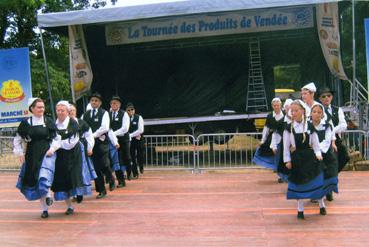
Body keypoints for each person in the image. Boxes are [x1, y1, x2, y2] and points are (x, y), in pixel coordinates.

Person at [14, 98, 59, 218]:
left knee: (44, 176)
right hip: (32, 154)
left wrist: (52, 149)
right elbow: (17, 140)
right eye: (39, 107)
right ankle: (45, 209)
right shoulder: (26, 123)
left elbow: (57, 139)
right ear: (32, 109)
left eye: (43, 107)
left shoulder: (48, 121)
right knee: (36, 180)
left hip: (47, 153)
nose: (41, 109)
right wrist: (19, 153)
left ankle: (48, 195)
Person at [283, 100, 325, 220]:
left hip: (310, 158)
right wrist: (287, 160)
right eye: (292, 111)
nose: (294, 113)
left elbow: (315, 143)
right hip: (297, 159)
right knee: (299, 184)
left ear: (302, 111)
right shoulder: (289, 128)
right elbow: (286, 147)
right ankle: (300, 210)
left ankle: (322, 205)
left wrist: (318, 154)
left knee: (316, 181)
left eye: (296, 110)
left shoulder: (309, 126)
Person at [51, 101, 90, 215]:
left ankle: (78, 194)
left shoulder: (73, 124)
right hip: (60, 156)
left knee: (74, 177)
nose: (60, 112)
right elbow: (53, 139)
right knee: (62, 180)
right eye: (58, 110)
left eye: (62, 110)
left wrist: (57, 144)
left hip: (73, 155)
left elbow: (71, 143)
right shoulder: (54, 125)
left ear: (67, 111)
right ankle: (69, 206)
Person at [318, 86, 349, 201]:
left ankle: (332, 177)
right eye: (324, 96)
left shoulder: (338, 109)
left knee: (345, 157)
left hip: (336, 139)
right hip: (324, 141)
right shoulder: (318, 109)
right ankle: (328, 189)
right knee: (329, 164)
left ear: (332, 97)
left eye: (329, 96)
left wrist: (332, 130)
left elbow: (343, 125)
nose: (326, 98)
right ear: (320, 99)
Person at [82, 92, 112, 199]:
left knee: (103, 165)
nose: (94, 102)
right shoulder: (85, 114)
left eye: (96, 101)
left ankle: (110, 179)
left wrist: (92, 136)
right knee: (95, 167)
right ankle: (101, 190)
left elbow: (104, 128)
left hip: (101, 143)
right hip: (90, 145)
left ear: (100, 103)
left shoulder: (104, 113)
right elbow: (82, 127)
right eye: (92, 100)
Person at [310, 103, 339, 204]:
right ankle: (314, 194)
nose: (316, 114)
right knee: (313, 175)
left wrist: (318, 150)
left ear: (322, 114)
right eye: (314, 112)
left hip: (325, 154)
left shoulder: (327, 125)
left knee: (327, 174)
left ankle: (328, 191)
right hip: (311, 154)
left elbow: (327, 141)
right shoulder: (307, 125)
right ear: (310, 113)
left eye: (319, 112)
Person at [69, 103, 97, 203]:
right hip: (67, 151)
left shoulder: (81, 122)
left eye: (73, 110)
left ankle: (79, 193)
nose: (71, 112)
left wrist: (90, 148)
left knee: (80, 171)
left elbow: (89, 135)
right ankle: (74, 193)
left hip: (80, 150)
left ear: (75, 112)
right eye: (69, 110)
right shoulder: (62, 123)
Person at [252, 98, 284, 173]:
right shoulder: (270, 116)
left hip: (283, 138)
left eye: (277, 105)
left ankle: (280, 169)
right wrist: (263, 140)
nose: (276, 107)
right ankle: (276, 167)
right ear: (272, 106)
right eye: (274, 105)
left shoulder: (285, 115)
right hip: (272, 138)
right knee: (273, 153)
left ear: (280, 105)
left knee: (282, 155)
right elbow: (266, 129)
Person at [109, 96, 131, 184]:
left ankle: (129, 171)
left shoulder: (124, 114)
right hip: (113, 141)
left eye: (116, 103)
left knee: (126, 158)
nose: (114, 105)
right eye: (112, 103)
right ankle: (120, 180)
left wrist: (113, 134)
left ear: (119, 104)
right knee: (116, 160)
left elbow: (125, 128)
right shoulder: (107, 114)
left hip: (123, 140)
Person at [126, 102, 145, 175]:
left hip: (138, 140)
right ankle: (135, 173)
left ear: (134, 110)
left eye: (132, 109)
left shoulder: (139, 117)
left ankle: (141, 166)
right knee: (132, 156)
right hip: (130, 141)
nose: (131, 111)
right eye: (129, 110)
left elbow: (141, 130)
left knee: (140, 155)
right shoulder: (125, 118)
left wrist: (131, 135)